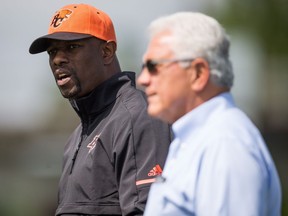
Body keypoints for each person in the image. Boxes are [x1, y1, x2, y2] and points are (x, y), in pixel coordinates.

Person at [29, 3, 171, 216]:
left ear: (106, 52)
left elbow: (149, 210)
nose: (58, 59)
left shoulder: (136, 116)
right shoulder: (77, 136)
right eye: (53, 51)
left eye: (72, 47)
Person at [137, 12, 282, 216]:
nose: (142, 79)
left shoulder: (224, 144)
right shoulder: (200, 139)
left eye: (154, 66)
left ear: (198, 73)